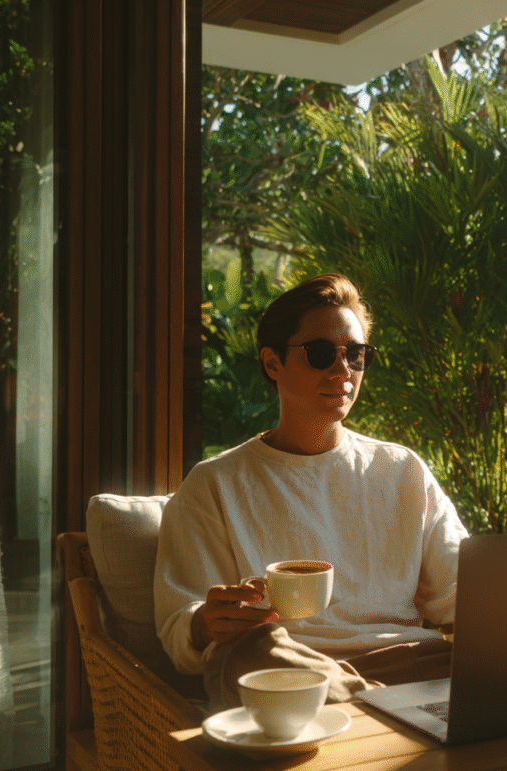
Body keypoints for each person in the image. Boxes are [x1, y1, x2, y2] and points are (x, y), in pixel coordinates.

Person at [154, 273, 468, 711]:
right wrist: (204, 624)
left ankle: (375, 709)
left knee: (506, 656)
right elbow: (178, 631)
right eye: (321, 353)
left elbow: (464, 592)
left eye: (356, 355)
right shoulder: (215, 485)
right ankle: (391, 712)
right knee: (251, 653)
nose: (343, 371)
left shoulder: (402, 471)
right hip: (290, 672)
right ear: (272, 363)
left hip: (406, 663)